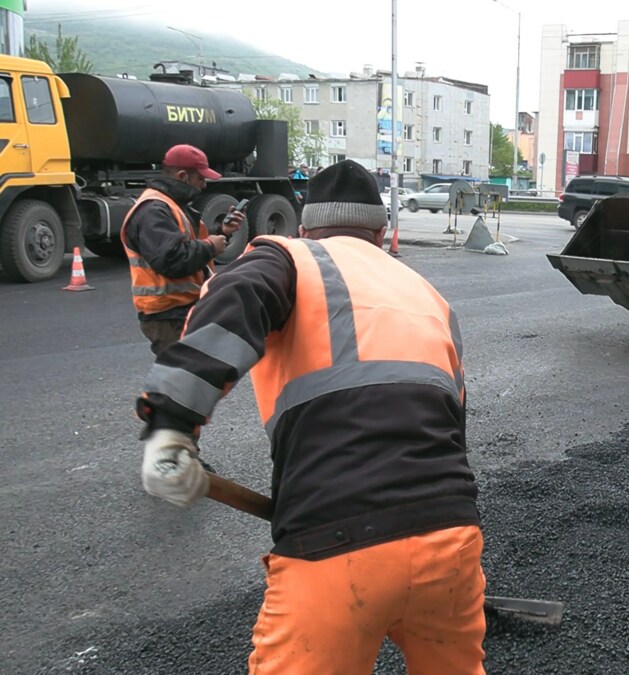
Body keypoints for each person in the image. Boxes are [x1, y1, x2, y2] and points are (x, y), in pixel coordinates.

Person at [134, 160, 484, 674]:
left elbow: (233, 298)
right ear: (381, 231)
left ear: (304, 227)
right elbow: (455, 424)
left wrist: (170, 427)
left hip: (334, 540)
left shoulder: (293, 259)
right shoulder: (429, 297)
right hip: (451, 536)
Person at [120, 144, 244, 356]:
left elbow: (187, 243)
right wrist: (210, 246)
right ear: (183, 176)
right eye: (201, 179)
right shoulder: (153, 209)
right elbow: (171, 259)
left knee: (194, 379)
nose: (203, 186)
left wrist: (222, 232)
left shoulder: (172, 205)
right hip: (168, 316)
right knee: (184, 383)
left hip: (181, 310)